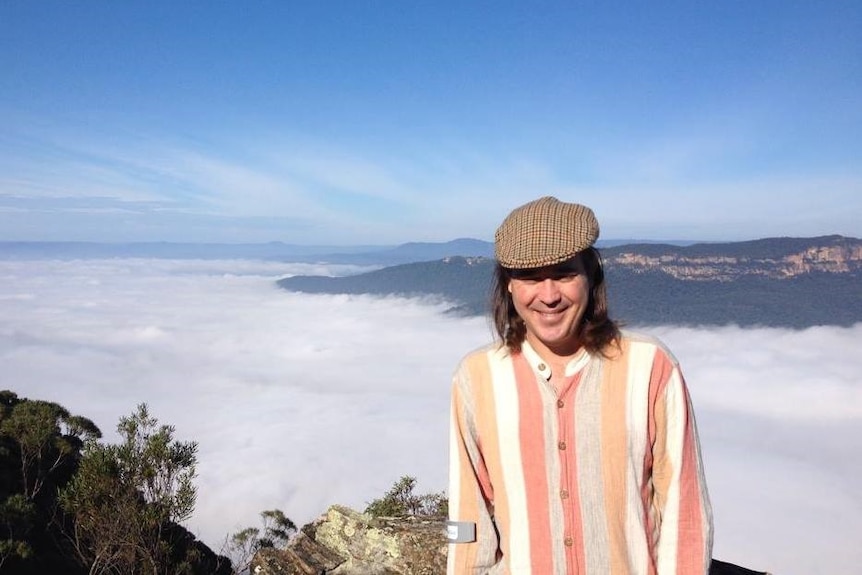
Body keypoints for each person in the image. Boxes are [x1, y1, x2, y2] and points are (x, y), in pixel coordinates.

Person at [446, 196, 713, 574]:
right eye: (531, 278)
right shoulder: (476, 378)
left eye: (565, 273)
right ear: (508, 285)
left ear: (590, 276)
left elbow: (685, 512)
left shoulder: (651, 367)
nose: (549, 295)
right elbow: (468, 515)